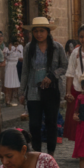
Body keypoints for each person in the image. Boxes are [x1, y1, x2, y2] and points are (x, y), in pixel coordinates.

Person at [19, 17, 68, 155]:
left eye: (41, 31)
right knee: (34, 124)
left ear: (47, 32)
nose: (39, 34)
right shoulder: (29, 48)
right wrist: (22, 92)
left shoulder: (57, 47)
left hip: (51, 91)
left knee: (51, 123)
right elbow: (25, 71)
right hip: (33, 91)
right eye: (36, 31)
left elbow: (64, 66)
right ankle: (37, 153)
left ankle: (50, 153)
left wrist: (53, 75)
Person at [3, 38, 23, 106]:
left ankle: (16, 99)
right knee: (8, 83)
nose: (16, 45)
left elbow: (21, 57)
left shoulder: (20, 48)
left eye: (17, 43)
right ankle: (7, 100)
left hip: (16, 65)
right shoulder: (6, 49)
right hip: (9, 66)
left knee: (16, 83)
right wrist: (10, 49)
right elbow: (5, 56)